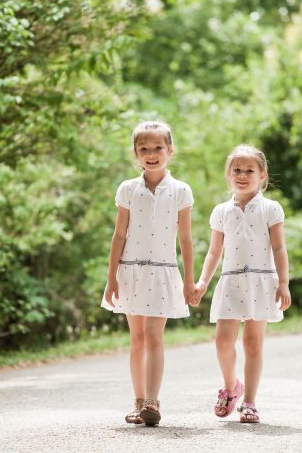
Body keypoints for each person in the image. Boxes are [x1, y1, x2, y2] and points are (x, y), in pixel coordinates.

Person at [102, 121, 196, 427]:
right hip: (131, 273)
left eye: (158, 148)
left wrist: (190, 279)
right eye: (144, 149)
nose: (151, 154)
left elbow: (185, 239)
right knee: (138, 339)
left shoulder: (180, 190)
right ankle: (138, 401)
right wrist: (111, 276)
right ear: (135, 153)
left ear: (170, 150)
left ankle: (153, 402)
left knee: (155, 336)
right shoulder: (128, 189)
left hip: (163, 274)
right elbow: (119, 235)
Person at [191, 144, 291, 423]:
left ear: (262, 176)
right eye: (237, 170)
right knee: (223, 341)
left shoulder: (271, 209)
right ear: (228, 174)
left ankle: (249, 402)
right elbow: (214, 252)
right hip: (231, 281)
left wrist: (283, 283)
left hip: (261, 281)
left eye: (250, 170)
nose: (243, 175)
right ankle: (231, 386)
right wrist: (201, 283)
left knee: (252, 343)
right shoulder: (221, 211)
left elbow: (280, 249)